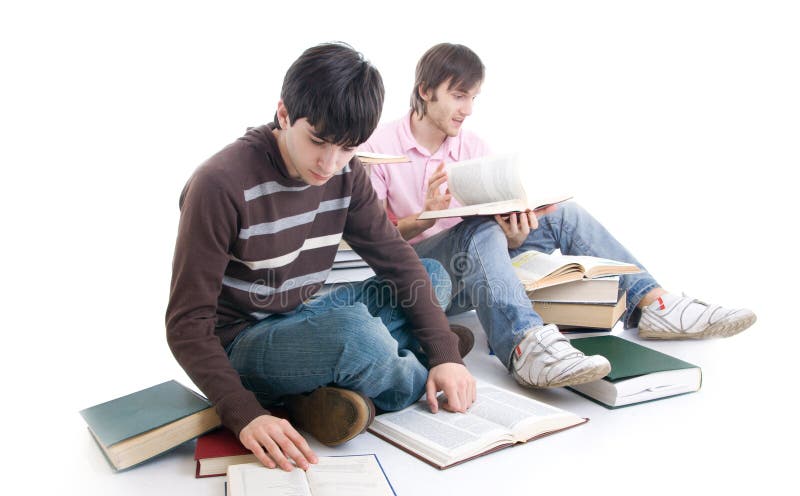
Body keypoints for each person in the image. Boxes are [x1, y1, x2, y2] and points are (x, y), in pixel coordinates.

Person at [361, 43, 756, 390]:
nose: (468, 110)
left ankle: (656, 305)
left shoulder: (473, 144)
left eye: (474, 98)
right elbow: (375, 239)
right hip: (423, 278)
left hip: (478, 265)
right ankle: (524, 342)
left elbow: (491, 225)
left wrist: (513, 236)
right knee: (476, 230)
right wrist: (426, 216)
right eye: (459, 96)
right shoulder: (380, 144)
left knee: (562, 214)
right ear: (425, 91)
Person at [166, 43, 477, 473]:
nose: (330, 163)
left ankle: (330, 388)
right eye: (318, 141)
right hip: (242, 343)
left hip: (302, 315)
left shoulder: (346, 174)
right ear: (283, 114)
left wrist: (448, 355)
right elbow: (186, 326)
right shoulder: (218, 185)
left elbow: (397, 262)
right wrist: (245, 414)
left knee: (432, 275)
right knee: (356, 335)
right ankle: (411, 369)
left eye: (347, 148)